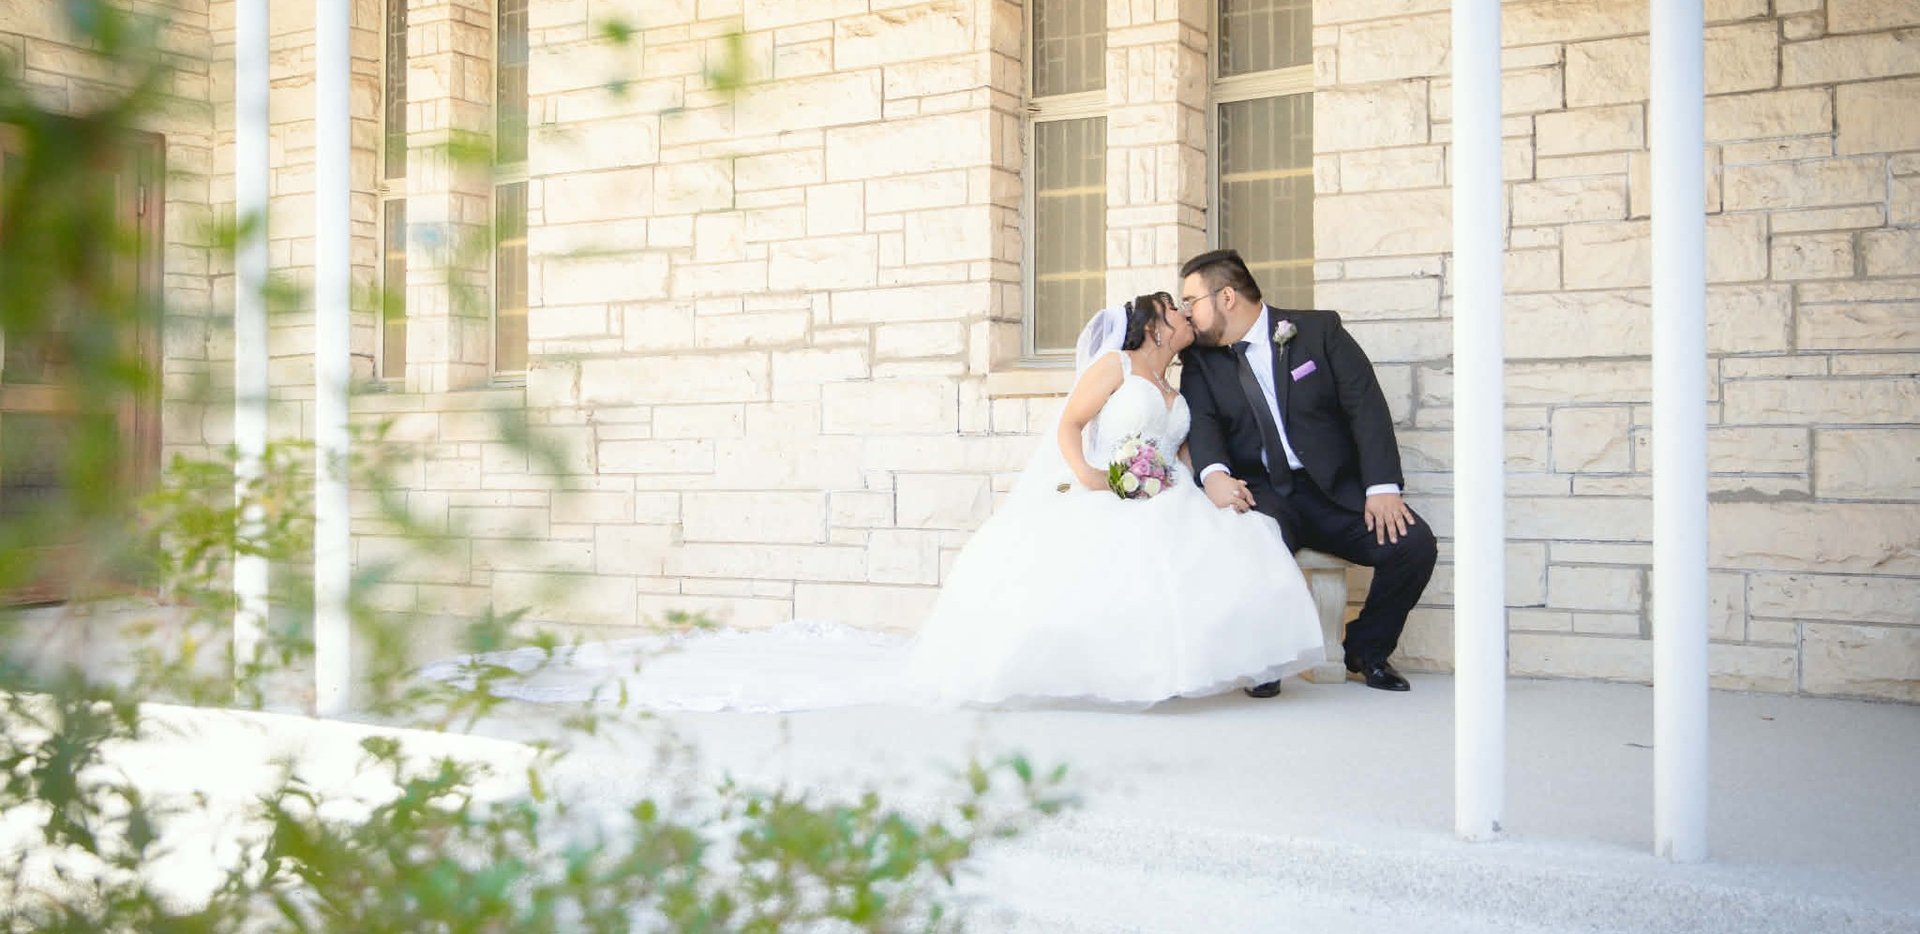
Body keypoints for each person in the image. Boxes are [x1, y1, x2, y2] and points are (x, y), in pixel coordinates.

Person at [422, 293, 1325, 710]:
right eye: (1174, 312)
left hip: (1157, 492)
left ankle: (1224, 667)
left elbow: (1179, 442)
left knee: (1220, 546)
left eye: (1187, 312)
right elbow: (1070, 428)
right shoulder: (1117, 367)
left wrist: (1180, 475)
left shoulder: (1177, 386)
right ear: (1151, 325)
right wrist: (1095, 478)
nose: (1184, 320)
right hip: (1104, 492)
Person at [1176, 249, 1437, 693]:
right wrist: (1214, 473)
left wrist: (1381, 487)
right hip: (1262, 491)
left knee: (1413, 545)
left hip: (1334, 490)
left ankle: (1367, 650)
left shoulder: (1318, 331)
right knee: (1251, 547)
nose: (1187, 314)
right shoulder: (1202, 361)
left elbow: (1364, 406)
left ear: (1226, 297)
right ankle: (1265, 661)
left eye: (1191, 301)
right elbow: (1202, 422)